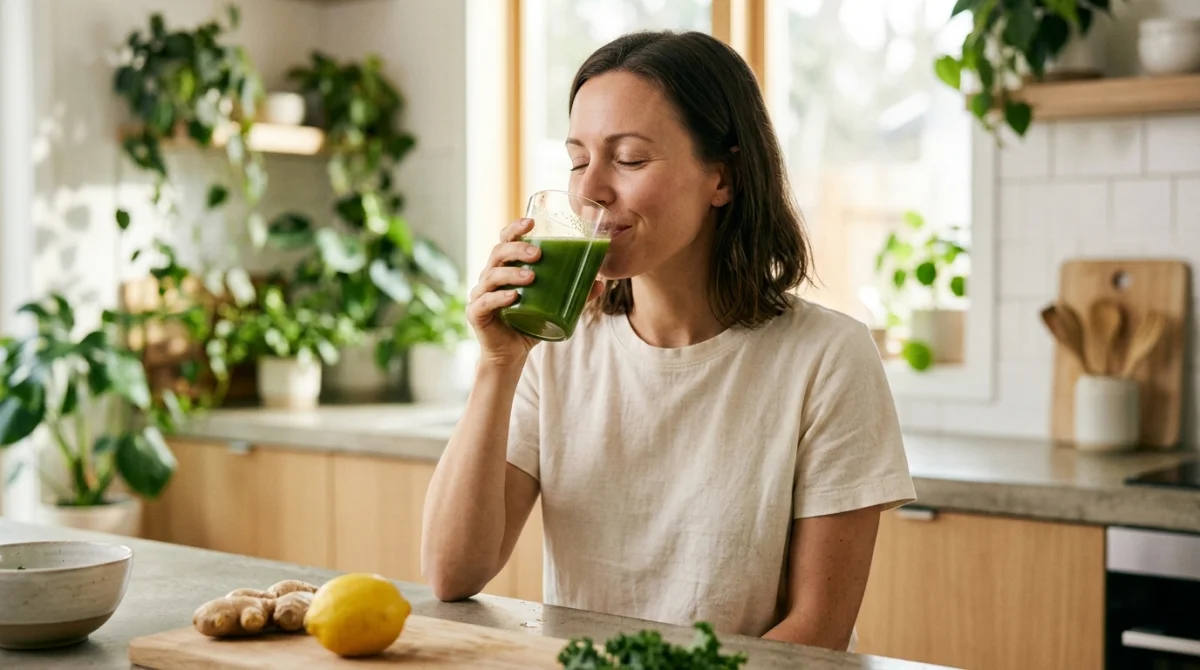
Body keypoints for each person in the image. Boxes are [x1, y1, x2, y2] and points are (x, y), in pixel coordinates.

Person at [420, 29, 916, 652]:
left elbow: (817, 630)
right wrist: (497, 363)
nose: (590, 190)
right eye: (578, 160)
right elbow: (451, 572)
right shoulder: (556, 350)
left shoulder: (827, 357)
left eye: (628, 159)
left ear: (723, 179)